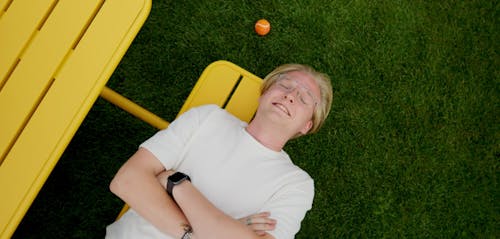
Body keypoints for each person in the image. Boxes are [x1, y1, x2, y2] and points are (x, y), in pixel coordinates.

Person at [105, 63, 333, 239]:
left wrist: (177, 184)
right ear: (264, 93)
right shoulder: (208, 118)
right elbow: (126, 181)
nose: (290, 95)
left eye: (304, 98)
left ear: (306, 126)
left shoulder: (295, 184)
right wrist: (206, 232)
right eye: (284, 85)